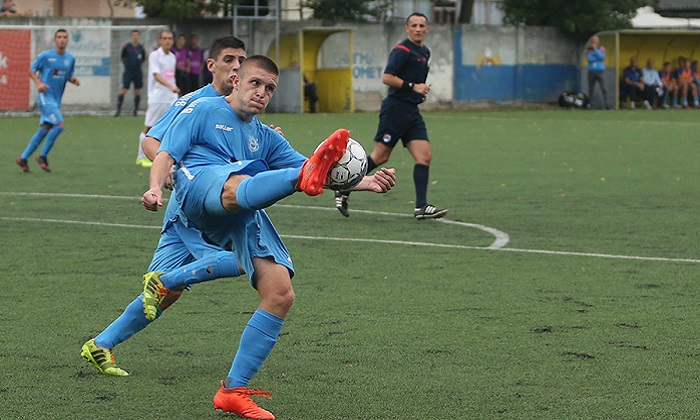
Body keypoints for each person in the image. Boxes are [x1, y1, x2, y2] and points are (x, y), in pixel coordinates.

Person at [142, 55, 395, 419]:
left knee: (279, 293)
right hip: (198, 190)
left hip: (242, 209)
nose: (262, 93)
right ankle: (292, 182)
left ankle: (233, 390)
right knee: (241, 181)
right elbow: (165, 152)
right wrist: (155, 187)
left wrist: (366, 181)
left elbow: (310, 168)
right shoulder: (202, 110)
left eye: (270, 88)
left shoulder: (263, 136)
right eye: (256, 83)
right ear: (236, 81)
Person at [81, 36, 250, 378]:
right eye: (229, 59)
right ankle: (164, 280)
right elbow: (151, 140)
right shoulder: (194, 102)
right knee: (249, 261)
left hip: (206, 207)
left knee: (165, 293)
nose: (236, 66)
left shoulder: (243, 107)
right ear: (212, 65)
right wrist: (165, 174)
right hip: (193, 208)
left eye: (241, 60)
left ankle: (101, 344)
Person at [334, 12, 447, 220]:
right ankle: (343, 186)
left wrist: (418, 94)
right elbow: (387, 77)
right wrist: (413, 87)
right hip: (395, 109)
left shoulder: (425, 52)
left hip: (411, 111)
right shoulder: (401, 51)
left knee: (424, 156)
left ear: (427, 29)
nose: (418, 29)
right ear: (407, 28)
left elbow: (414, 81)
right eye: (414, 25)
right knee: (380, 156)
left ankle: (421, 207)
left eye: (422, 25)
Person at [16, 28, 79, 173]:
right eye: (59, 37)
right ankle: (42, 156)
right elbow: (31, 70)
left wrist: (73, 80)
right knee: (59, 125)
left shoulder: (70, 59)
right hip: (45, 97)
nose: (62, 39)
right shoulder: (46, 56)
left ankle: (23, 158)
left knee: (44, 130)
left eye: (64, 37)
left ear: (67, 40)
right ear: (55, 40)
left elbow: (68, 75)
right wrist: (38, 83)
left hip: (56, 100)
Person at [136, 29, 179, 168]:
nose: (167, 41)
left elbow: (170, 76)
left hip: (170, 98)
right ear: (160, 40)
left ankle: (165, 156)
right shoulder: (155, 55)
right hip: (157, 97)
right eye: (165, 38)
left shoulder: (172, 56)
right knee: (149, 128)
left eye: (170, 38)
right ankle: (141, 157)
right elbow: (156, 75)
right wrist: (170, 86)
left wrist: (174, 90)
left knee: (171, 127)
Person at [115, 30, 146, 117]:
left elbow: (143, 59)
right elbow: (122, 58)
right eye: (134, 35)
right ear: (131, 36)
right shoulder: (126, 47)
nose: (135, 37)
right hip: (128, 71)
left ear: (138, 36)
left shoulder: (141, 47)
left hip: (137, 71)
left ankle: (135, 111)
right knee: (124, 90)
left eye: (137, 35)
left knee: (137, 91)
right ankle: (118, 111)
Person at [586, 35, 609, 110]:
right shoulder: (589, 49)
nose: (594, 41)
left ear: (598, 41)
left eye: (596, 40)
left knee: (604, 88)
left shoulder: (601, 48)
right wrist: (597, 56)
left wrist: (595, 49)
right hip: (592, 71)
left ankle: (607, 105)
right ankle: (590, 104)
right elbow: (590, 59)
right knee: (591, 89)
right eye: (593, 40)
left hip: (600, 71)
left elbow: (601, 56)